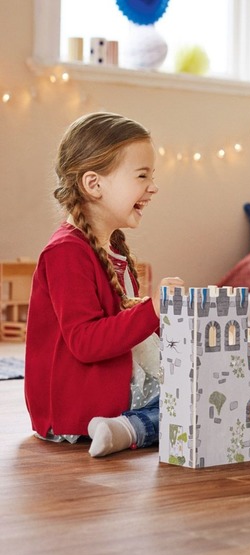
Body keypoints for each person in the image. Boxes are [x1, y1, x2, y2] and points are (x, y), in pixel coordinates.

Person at [24, 111, 183, 458]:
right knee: (196, 401)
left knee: (207, 386)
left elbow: (129, 330)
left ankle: (128, 426)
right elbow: (85, 342)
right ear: (94, 184)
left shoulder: (111, 248)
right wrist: (152, 309)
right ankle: (129, 428)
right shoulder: (65, 252)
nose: (153, 187)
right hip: (78, 405)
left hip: (114, 385)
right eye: (142, 176)